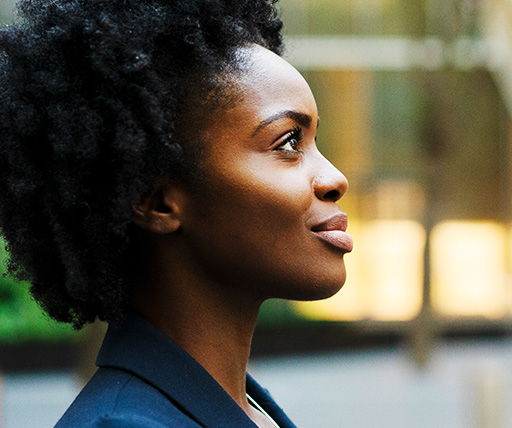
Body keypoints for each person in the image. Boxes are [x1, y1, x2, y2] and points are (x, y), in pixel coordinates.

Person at [0, 0, 353, 426]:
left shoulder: (244, 408)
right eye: (288, 143)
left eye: (314, 140)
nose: (335, 178)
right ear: (158, 202)